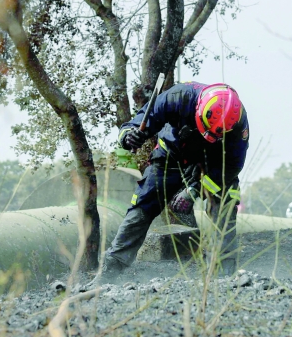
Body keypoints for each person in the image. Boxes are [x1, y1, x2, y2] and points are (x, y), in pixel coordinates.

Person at [100, 82, 249, 280]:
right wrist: (129, 135)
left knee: (225, 201)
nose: (209, 137)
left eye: (215, 135)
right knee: (144, 201)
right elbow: (146, 116)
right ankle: (112, 267)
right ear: (198, 108)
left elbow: (231, 166)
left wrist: (196, 189)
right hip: (171, 155)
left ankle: (223, 273)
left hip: (214, 166)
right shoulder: (179, 96)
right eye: (206, 130)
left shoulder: (238, 124)